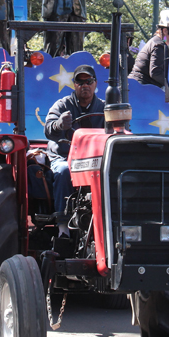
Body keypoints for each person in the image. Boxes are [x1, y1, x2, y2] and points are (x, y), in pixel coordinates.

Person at [44, 66, 105, 222]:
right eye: (80, 81)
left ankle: (106, 221)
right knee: (64, 171)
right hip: (65, 156)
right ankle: (63, 226)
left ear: (95, 83)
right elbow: (49, 130)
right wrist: (58, 124)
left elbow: (119, 130)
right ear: (74, 84)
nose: (84, 85)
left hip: (96, 160)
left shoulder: (105, 108)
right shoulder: (62, 105)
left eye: (89, 81)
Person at [130, 10, 169, 89]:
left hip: (136, 85)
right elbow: (155, 72)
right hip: (141, 87)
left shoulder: (156, 42)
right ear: (165, 31)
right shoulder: (159, 45)